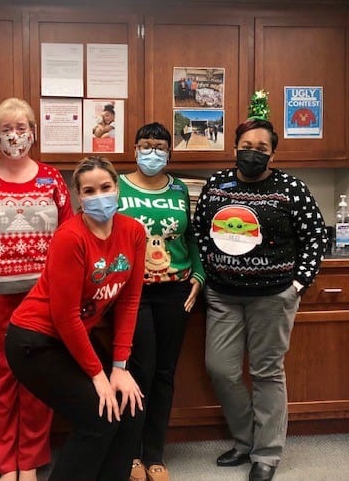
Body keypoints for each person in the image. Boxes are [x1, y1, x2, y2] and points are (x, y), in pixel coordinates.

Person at [192, 117, 327, 481]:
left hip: (273, 296)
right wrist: (207, 275)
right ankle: (245, 440)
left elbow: (316, 236)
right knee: (221, 369)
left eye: (261, 148)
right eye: (246, 147)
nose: (253, 153)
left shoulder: (290, 188)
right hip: (223, 295)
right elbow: (200, 232)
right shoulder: (217, 184)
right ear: (235, 148)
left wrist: (298, 283)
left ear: (272, 153)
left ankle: (266, 453)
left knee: (266, 373)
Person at [5, 155, 146, 481]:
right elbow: (65, 316)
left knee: (130, 408)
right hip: (34, 341)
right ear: (79, 197)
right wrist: (98, 376)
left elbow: (129, 301)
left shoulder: (133, 232)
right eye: (89, 191)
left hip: (72, 339)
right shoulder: (70, 237)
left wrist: (119, 368)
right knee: (98, 418)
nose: (100, 196)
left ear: (117, 188)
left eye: (106, 187)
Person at [0, 97, 73, 481]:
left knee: (39, 378)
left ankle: (31, 461)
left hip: (43, 297)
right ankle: (5, 463)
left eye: (21, 128)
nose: (14, 136)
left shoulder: (52, 179)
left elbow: (69, 238)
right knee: (0, 379)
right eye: (6, 129)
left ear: (33, 133)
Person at [118, 123, 205, 481]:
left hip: (175, 290)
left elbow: (191, 236)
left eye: (159, 146)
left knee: (165, 373)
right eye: (145, 145)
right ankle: (130, 453)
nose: (152, 152)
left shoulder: (180, 189)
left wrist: (199, 275)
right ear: (135, 149)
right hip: (133, 292)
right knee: (139, 371)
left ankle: (155, 453)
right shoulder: (117, 186)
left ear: (169, 152)